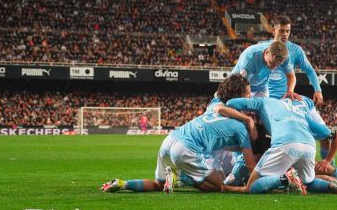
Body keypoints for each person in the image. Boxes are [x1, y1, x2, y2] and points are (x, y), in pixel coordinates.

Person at [101, 75, 256, 193]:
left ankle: (123, 184)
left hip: (170, 141)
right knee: (221, 187)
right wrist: (251, 186)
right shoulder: (240, 127)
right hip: (187, 149)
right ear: (239, 96)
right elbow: (250, 166)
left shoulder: (216, 104)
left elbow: (221, 109)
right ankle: (183, 175)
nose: (250, 97)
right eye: (247, 94)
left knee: (158, 185)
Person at [226, 96, 337, 194]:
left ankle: (285, 179)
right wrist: (328, 160)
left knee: (252, 187)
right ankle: (333, 185)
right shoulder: (300, 111)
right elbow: (332, 134)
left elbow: (231, 103)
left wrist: (247, 116)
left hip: (285, 144)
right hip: (309, 147)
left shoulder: (264, 101)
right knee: (307, 183)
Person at [266, 16, 323, 105]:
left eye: (287, 31)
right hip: (264, 97)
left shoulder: (296, 50)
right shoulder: (262, 47)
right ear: (274, 31)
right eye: (281, 31)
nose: (285, 34)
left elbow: (310, 71)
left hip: (285, 98)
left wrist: (318, 90)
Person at [231, 40, 300, 99]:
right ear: (266, 52)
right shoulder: (250, 59)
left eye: (277, 65)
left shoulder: (284, 57)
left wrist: (290, 91)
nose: (274, 68)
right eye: (271, 63)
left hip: (261, 87)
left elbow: (291, 76)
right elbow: (244, 86)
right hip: (238, 83)